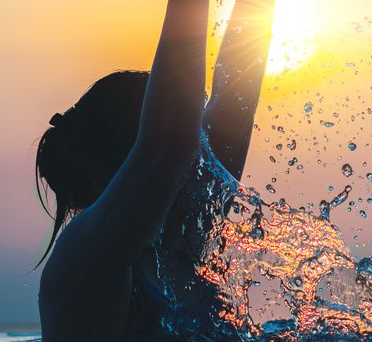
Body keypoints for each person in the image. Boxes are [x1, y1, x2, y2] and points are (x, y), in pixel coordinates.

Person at [34, 0, 274, 339]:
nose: (200, 177)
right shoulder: (82, 257)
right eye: (188, 163)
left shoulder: (180, 241)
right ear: (125, 169)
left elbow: (235, 96)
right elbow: (167, 146)